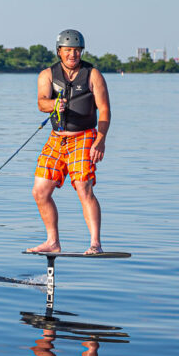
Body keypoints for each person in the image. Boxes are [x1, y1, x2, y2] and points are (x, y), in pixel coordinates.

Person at [26, 29, 111, 255]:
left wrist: (100, 141)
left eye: (76, 51)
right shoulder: (46, 75)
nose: (73, 55)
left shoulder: (93, 75)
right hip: (56, 139)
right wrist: (54, 104)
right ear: (59, 52)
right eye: (68, 51)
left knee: (84, 188)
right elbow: (41, 103)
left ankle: (95, 244)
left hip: (84, 137)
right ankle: (52, 242)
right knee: (40, 191)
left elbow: (104, 110)